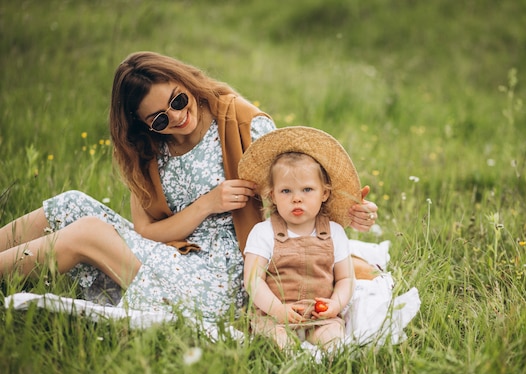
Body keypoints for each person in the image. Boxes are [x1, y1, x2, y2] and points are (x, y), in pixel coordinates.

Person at [0, 51, 379, 328]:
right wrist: (207, 204)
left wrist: (349, 212)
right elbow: (145, 232)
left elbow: (298, 191)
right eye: (161, 118)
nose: (178, 117)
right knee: (71, 204)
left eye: (178, 100)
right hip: (170, 254)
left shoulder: (242, 123)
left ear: (187, 82)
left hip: (224, 274)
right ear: (144, 124)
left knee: (88, 232)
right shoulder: (148, 151)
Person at [239, 127, 361, 349]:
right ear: (272, 196)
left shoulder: (334, 233)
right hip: (274, 315)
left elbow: (345, 278)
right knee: (278, 342)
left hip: (320, 317)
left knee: (333, 338)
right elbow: (252, 280)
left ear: (324, 193)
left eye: (307, 189)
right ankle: (291, 359)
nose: (297, 199)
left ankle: (326, 362)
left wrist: (336, 303)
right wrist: (277, 310)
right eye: (286, 191)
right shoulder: (263, 232)